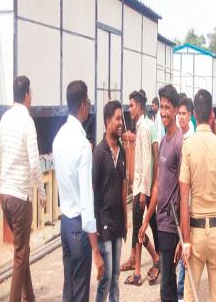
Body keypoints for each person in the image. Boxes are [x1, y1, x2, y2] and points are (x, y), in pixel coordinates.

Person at [53, 80, 104, 302]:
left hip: (65, 224)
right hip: (78, 227)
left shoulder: (59, 138)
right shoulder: (82, 145)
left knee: (69, 287)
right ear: (83, 104)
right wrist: (96, 250)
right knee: (81, 292)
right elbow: (86, 200)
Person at [0, 76, 46, 302]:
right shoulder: (27, 121)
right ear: (27, 94)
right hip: (20, 196)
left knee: (22, 249)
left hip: (5, 195)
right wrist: (43, 192)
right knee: (19, 255)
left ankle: (30, 296)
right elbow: (34, 163)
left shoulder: (4, 119)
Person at [180, 89, 216, 301]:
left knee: (190, 294)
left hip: (195, 232)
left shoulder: (188, 146)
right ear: (211, 115)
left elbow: (183, 200)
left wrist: (186, 242)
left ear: (193, 115)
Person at [139, 84, 183, 302]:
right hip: (161, 220)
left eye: (167, 107)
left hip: (172, 225)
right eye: (161, 107)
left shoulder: (179, 143)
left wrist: (183, 235)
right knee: (168, 282)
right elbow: (157, 185)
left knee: (166, 284)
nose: (163, 112)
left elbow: (186, 190)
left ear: (175, 110)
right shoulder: (165, 141)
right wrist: (147, 220)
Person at [120, 90, 160, 282]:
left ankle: (138, 271)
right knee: (144, 226)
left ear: (140, 107)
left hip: (141, 189)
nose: (130, 109)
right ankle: (155, 258)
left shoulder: (144, 127)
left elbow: (147, 161)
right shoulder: (145, 125)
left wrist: (144, 192)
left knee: (138, 228)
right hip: (143, 186)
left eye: (132, 105)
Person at [92, 100, 127, 302]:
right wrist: (94, 226)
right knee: (106, 276)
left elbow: (123, 186)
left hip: (118, 224)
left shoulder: (121, 151)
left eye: (121, 118)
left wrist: (125, 219)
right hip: (103, 224)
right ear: (107, 122)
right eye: (117, 118)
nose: (121, 122)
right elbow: (92, 190)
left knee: (115, 276)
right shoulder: (99, 154)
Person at [175, 96, 194, 300]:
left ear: (190, 115)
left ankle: (181, 289)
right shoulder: (174, 136)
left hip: (188, 202)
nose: (180, 117)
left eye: (184, 114)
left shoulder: (192, 139)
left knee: (185, 243)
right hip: (176, 201)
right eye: (178, 114)